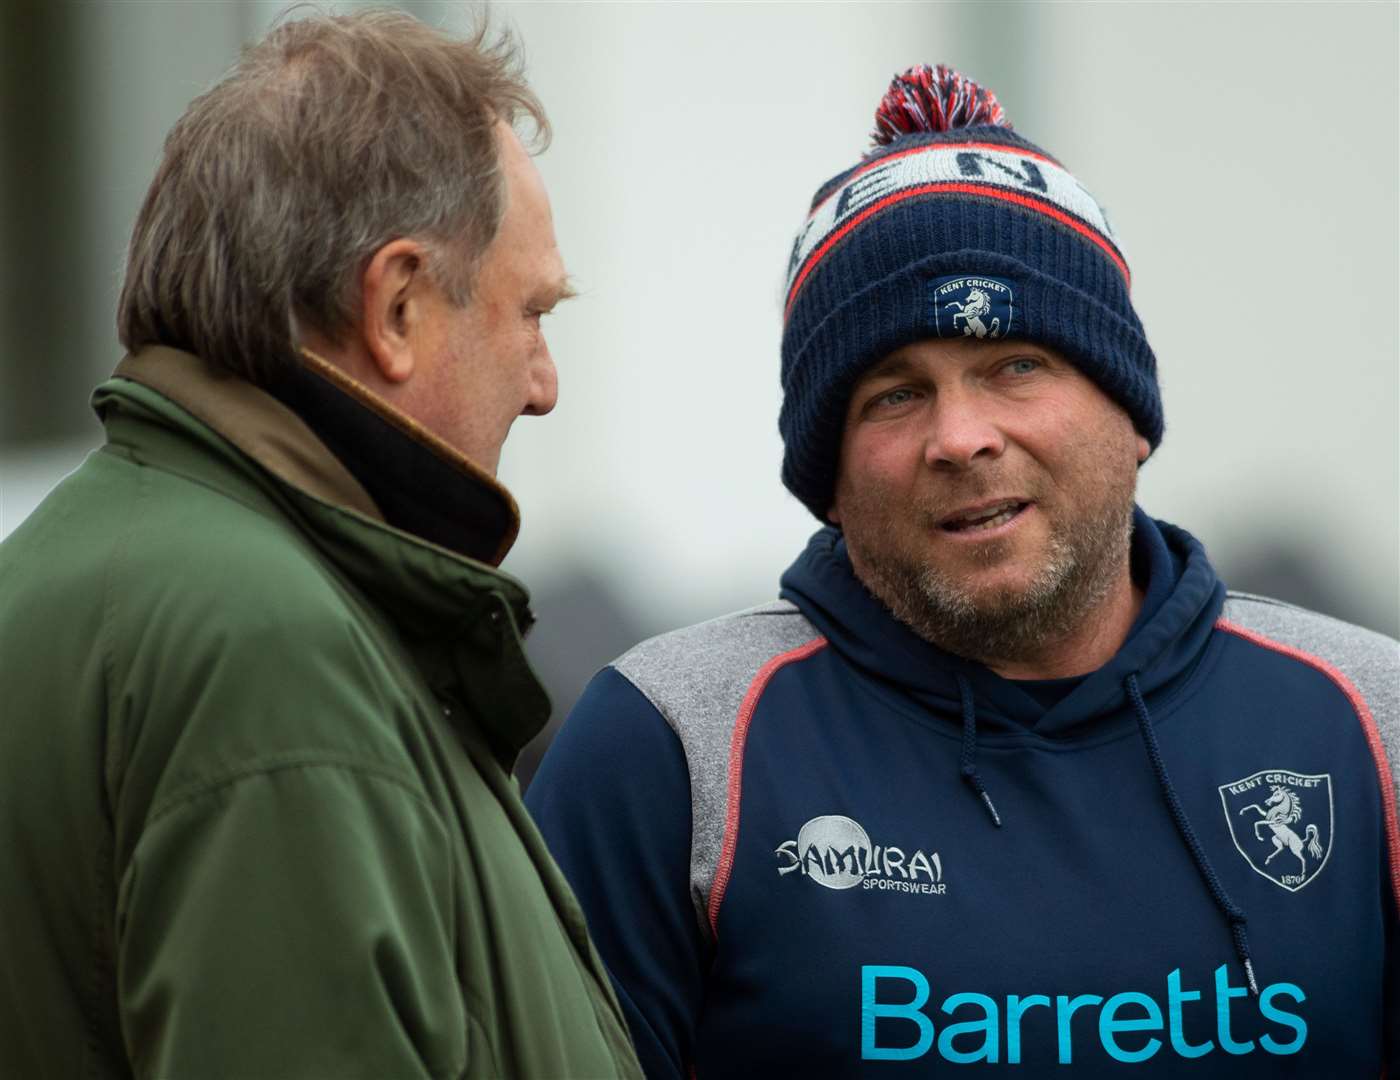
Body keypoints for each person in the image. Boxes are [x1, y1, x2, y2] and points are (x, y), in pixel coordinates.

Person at [526, 65, 1398, 1076]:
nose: (959, 437)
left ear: (1128, 413)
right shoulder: (670, 749)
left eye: (1013, 366)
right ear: (830, 479)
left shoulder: (1365, 727)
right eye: (893, 396)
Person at [0, 11, 641, 1079]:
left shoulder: (94, 567)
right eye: (529, 314)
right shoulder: (268, 642)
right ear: (394, 307)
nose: (543, 383)